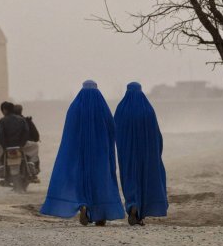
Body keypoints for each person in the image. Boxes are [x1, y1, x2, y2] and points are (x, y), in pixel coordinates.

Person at [40, 80, 124, 226]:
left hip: (79, 155)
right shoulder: (102, 108)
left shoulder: (74, 108)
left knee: (81, 180)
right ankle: (100, 215)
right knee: (100, 182)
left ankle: (83, 204)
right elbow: (112, 130)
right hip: (99, 155)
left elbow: (68, 134)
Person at [114, 82, 168, 226]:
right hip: (146, 154)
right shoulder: (148, 110)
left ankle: (132, 204)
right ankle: (140, 212)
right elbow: (156, 135)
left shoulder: (121, 109)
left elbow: (116, 132)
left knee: (130, 178)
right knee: (144, 179)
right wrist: (156, 152)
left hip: (127, 154)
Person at [0, 102, 38, 179]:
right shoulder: (22, 120)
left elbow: (0, 136)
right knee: (35, 146)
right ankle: (31, 163)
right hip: (20, 146)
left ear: (4, 110)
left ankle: (0, 167)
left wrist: (4, 147)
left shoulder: (2, 121)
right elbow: (26, 133)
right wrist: (21, 145)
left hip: (6, 147)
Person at [12, 103, 41, 177]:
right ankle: (32, 163)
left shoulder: (6, 121)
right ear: (21, 111)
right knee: (35, 146)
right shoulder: (26, 120)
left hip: (9, 146)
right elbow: (35, 135)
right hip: (24, 145)